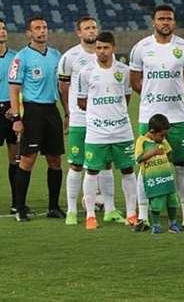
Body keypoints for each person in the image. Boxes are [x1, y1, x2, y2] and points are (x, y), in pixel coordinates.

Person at [130, 4, 184, 230]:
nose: (165, 22)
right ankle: (144, 216)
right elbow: (135, 80)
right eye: (161, 19)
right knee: (146, 165)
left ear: (174, 22)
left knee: (181, 164)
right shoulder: (141, 48)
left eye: (169, 19)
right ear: (153, 21)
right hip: (149, 116)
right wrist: (151, 97)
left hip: (177, 116)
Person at [59, 16, 121, 225]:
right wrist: (69, 112)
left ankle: (111, 209)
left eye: (94, 27)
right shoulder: (70, 57)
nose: (91, 31)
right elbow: (63, 87)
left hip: (103, 120)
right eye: (87, 28)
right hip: (80, 119)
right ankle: (71, 211)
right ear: (79, 32)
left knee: (105, 164)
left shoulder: (105, 57)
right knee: (76, 164)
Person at [77, 32, 137, 230]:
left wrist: (115, 114)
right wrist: (99, 116)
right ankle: (91, 216)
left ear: (114, 48)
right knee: (92, 170)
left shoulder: (124, 70)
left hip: (122, 129)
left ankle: (131, 213)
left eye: (105, 48)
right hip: (97, 131)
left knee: (128, 170)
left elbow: (126, 97)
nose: (101, 52)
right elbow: (82, 101)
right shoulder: (85, 72)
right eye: (98, 48)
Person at [9, 15, 65, 222]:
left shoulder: (56, 55)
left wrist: (67, 112)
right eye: (37, 28)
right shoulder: (21, 57)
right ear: (29, 33)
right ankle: (20, 208)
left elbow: (62, 87)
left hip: (52, 111)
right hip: (32, 112)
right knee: (27, 159)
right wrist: (16, 117)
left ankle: (53, 206)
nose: (42, 31)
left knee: (55, 160)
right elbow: (14, 90)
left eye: (45, 27)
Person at [135, 113, 182, 234]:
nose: (163, 138)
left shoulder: (163, 142)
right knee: (156, 202)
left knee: (172, 200)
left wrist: (168, 156)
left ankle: (173, 223)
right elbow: (139, 158)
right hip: (153, 179)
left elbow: (169, 154)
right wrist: (153, 153)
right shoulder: (142, 141)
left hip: (166, 176)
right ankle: (156, 225)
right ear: (152, 131)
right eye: (161, 135)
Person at [0, 18, 19, 214]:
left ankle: (16, 202)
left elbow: (20, 86)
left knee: (15, 157)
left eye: (4, 28)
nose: (2, 32)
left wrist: (15, 108)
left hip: (11, 110)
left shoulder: (15, 57)